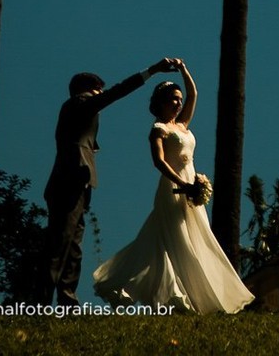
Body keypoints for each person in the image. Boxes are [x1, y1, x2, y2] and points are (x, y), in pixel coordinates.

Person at [92, 59, 254, 313]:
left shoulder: (183, 125)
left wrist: (184, 69)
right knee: (179, 241)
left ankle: (181, 295)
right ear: (161, 102)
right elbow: (159, 161)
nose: (178, 103)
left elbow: (194, 94)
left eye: (179, 99)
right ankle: (183, 298)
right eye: (173, 99)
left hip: (191, 188)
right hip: (173, 189)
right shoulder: (159, 129)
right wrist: (182, 184)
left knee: (187, 238)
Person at [39, 57, 178, 307]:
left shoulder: (75, 112)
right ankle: (41, 301)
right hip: (71, 179)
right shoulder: (80, 103)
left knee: (73, 245)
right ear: (88, 90)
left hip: (76, 181)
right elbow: (117, 92)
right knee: (61, 242)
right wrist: (153, 71)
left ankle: (67, 301)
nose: (100, 97)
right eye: (98, 91)